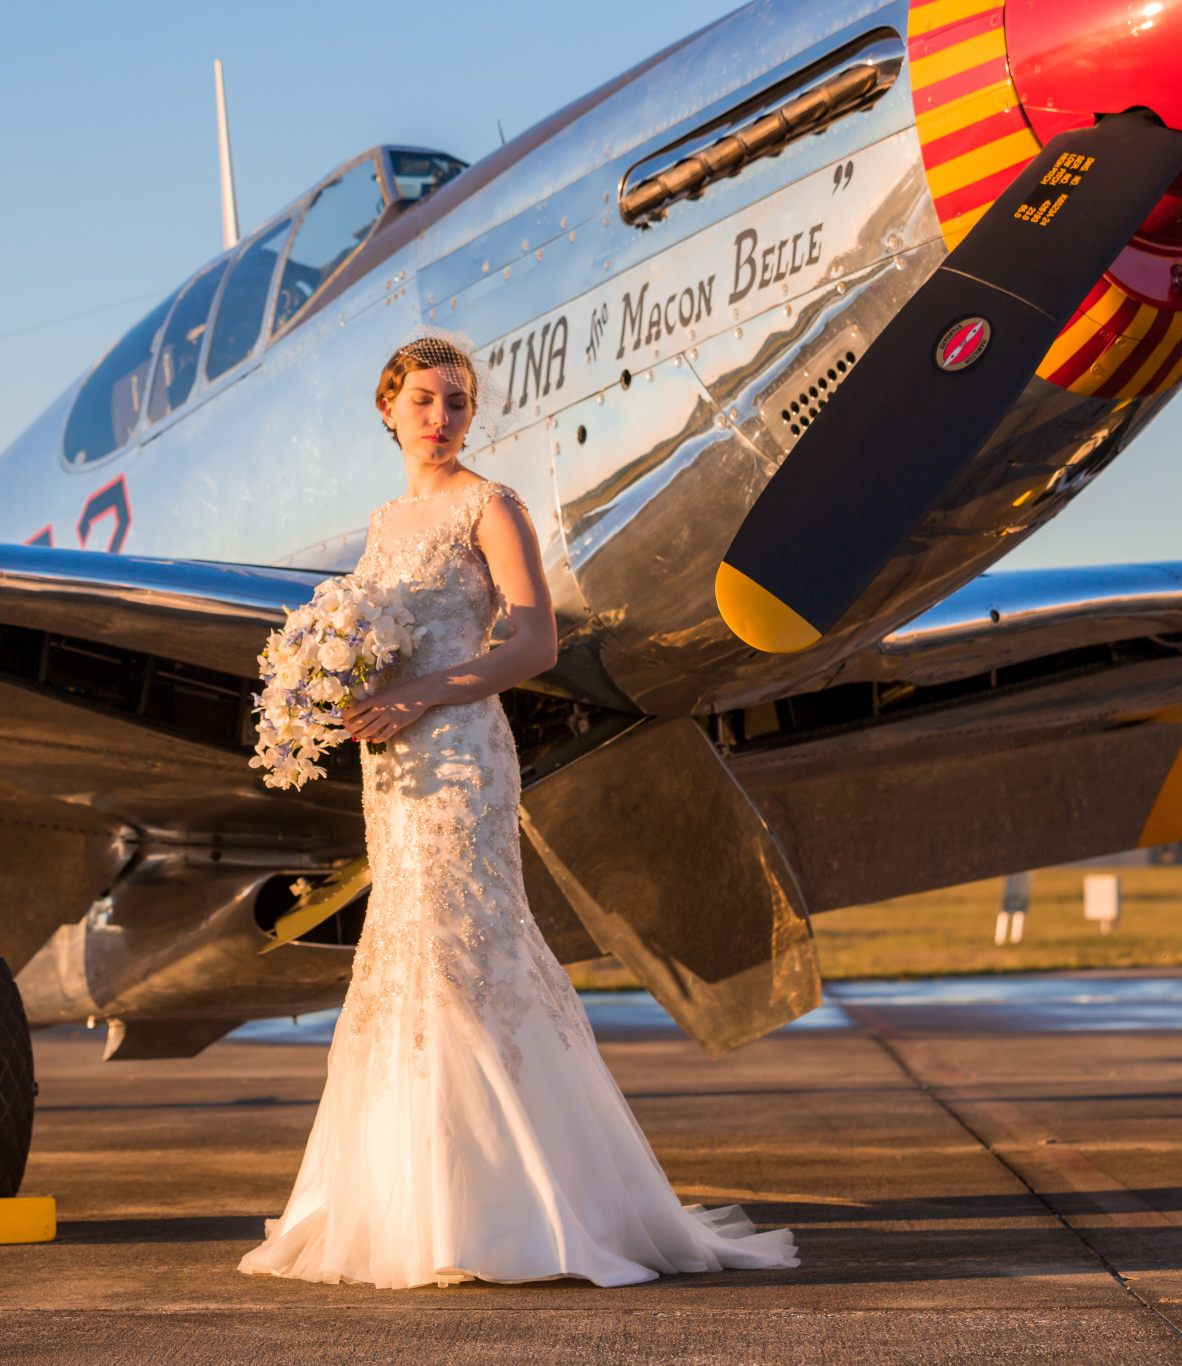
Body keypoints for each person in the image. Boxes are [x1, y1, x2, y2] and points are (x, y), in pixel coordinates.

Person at [238, 334, 799, 1289]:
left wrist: (427, 694)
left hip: (459, 754)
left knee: (468, 951)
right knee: (403, 955)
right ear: (388, 408)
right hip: (394, 761)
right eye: (423, 399)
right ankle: (413, 1201)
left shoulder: (489, 508)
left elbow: (535, 642)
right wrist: (344, 693)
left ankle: (508, 1209)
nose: (442, 416)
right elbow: (380, 643)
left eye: (456, 401)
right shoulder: (383, 524)